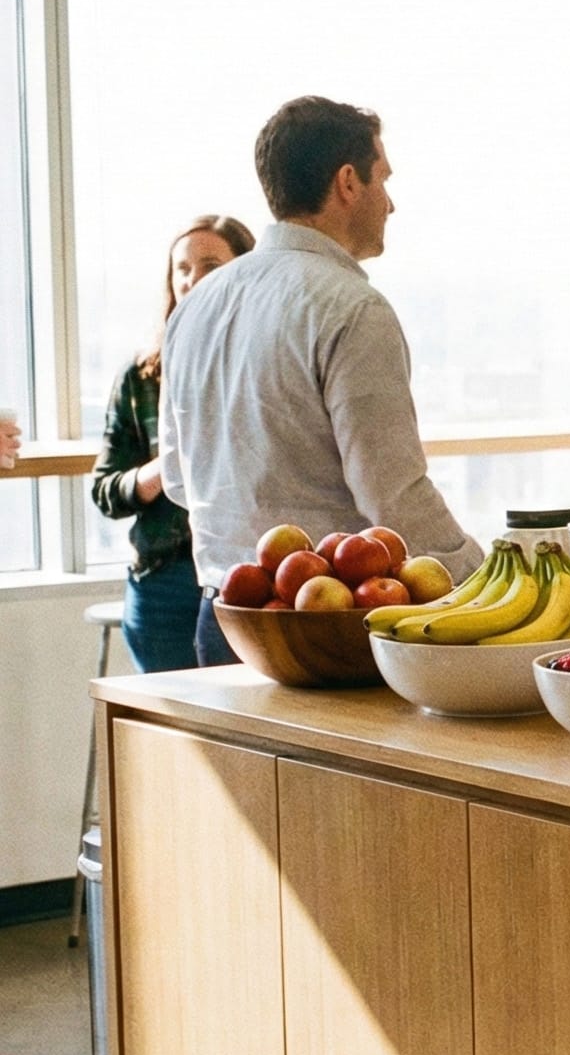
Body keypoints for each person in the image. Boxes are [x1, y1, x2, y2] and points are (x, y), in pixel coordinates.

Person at [161, 96, 480, 667]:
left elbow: (177, 479)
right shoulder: (352, 308)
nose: (391, 203)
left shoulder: (194, 307)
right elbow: (391, 491)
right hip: (330, 627)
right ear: (348, 182)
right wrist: (476, 575)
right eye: (384, 179)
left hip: (224, 618)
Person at [92, 215, 255, 671]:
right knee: (166, 714)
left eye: (210, 265)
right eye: (182, 268)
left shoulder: (264, 362)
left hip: (247, 576)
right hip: (164, 579)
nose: (193, 279)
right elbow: (105, 491)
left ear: (246, 270)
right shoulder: (141, 376)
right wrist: (166, 468)